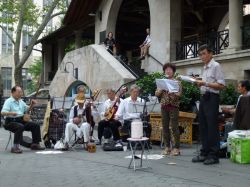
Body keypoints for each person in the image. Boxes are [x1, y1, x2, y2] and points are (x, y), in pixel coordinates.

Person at [192, 44, 225, 165]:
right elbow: (206, 83)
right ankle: (204, 152)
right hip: (204, 97)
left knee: (212, 127)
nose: (202, 56)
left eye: (204, 53)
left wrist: (204, 83)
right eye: (200, 54)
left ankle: (213, 155)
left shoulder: (216, 66)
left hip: (212, 98)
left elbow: (221, 85)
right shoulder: (205, 67)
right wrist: (198, 82)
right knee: (203, 126)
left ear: (211, 53)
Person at [1, 86, 45, 154]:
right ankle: (15, 147)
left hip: (21, 120)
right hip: (10, 121)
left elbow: (27, 110)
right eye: (18, 92)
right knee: (20, 126)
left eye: (21, 92)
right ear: (13, 92)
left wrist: (32, 104)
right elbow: (2, 112)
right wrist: (11, 113)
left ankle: (35, 144)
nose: (20, 93)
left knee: (35, 125)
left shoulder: (20, 101)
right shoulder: (8, 101)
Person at [155, 63, 182, 156]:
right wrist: (161, 89)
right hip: (164, 106)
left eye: (170, 69)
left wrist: (173, 93)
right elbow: (157, 94)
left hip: (174, 106)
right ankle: (167, 147)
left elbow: (179, 95)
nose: (168, 71)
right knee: (165, 127)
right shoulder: (161, 81)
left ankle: (176, 148)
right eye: (166, 70)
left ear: (173, 71)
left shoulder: (177, 82)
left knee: (174, 128)